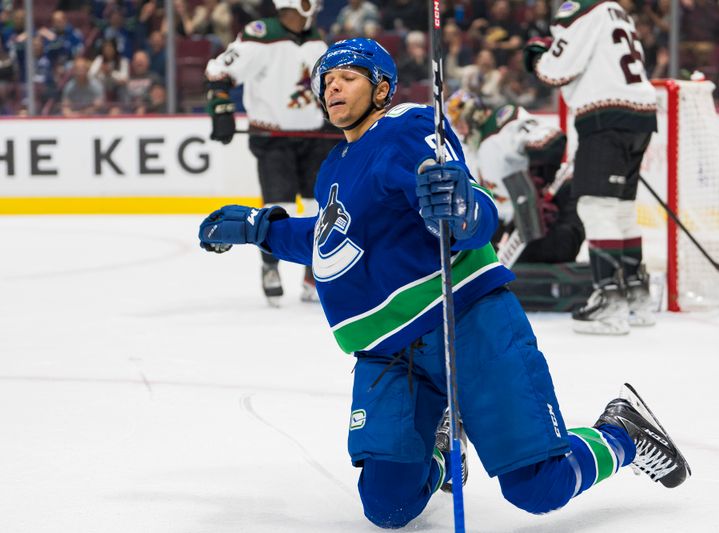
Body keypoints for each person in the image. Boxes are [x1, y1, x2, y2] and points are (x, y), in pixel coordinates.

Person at [198, 37, 690, 529]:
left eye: (347, 78)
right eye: (325, 82)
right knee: (388, 506)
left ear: (382, 88)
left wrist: (460, 209)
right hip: (387, 352)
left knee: (540, 486)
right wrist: (262, 229)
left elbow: (468, 206)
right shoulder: (336, 165)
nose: (332, 89)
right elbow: (331, 239)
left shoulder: (406, 126)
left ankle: (622, 434)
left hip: (465, 322)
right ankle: (437, 441)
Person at [525, 0, 659, 335]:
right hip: (641, 116)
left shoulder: (580, 8)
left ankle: (610, 304)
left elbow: (555, 70)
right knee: (622, 209)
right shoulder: (617, 11)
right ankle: (637, 297)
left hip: (606, 118)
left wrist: (539, 55)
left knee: (595, 207)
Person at [205, 0, 334, 305]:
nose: (315, 5)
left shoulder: (317, 39)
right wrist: (220, 107)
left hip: (316, 135)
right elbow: (218, 70)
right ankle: (270, 265)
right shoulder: (260, 36)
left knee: (323, 207)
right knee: (279, 205)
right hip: (273, 136)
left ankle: (312, 272)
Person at [446, 89, 583, 265]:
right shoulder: (473, 153)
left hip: (553, 207)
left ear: (474, 114)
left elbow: (551, 139)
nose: (461, 132)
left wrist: (538, 180)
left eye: (461, 124)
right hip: (519, 224)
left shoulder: (502, 123)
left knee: (558, 250)